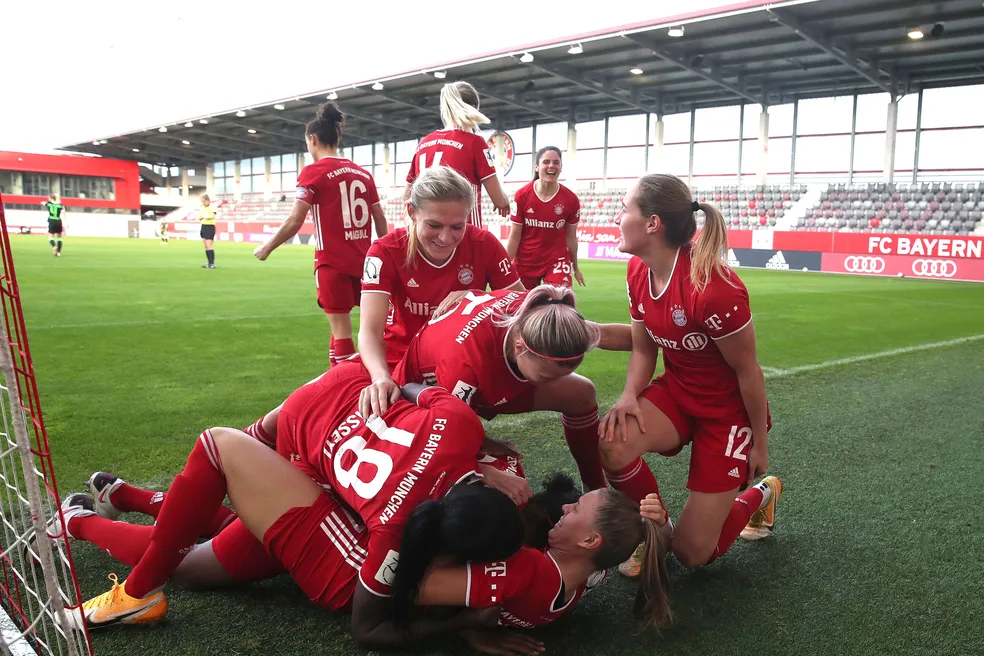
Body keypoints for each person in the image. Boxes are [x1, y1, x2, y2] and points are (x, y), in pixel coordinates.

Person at [71, 364, 525, 650]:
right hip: (338, 497)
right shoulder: (399, 518)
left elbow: (367, 628)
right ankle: (108, 508)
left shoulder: (453, 424)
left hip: (345, 556)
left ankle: (120, 570)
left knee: (217, 456)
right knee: (216, 538)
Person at [596, 173, 782, 576]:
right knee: (613, 440)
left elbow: (747, 371)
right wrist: (629, 395)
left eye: (625, 209)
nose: (617, 217)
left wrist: (759, 446)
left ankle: (761, 494)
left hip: (726, 415)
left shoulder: (714, 287)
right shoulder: (636, 272)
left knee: (694, 554)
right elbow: (644, 347)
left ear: (652, 224)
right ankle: (654, 530)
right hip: (679, 392)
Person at [390, 285, 631, 493]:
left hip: (479, 376)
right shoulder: (464, 367)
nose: (551, 384)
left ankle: (594, 488)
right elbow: (442, 438)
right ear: (518, 349)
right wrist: (484, 468)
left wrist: (665, 338)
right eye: (545, 376)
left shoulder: (544, 318)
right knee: (488, 482)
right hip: (419, 398)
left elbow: (610, 334)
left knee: (580, 393)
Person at [359, 166, 524, 413]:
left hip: (470, 365)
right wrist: (381, 377)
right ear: (412, 212)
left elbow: (524, 305)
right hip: (404, 367)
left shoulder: (484, 243)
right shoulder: (384, 252)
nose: (445, 238)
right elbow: (369, 332)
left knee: (579, 392)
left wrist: (479, 298)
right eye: (434, 225)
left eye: (457, 227)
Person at [253, 102, 389, 367]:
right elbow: (380, 217)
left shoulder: (313, 172)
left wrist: (267, 247)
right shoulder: (362, 173)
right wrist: (385, 253)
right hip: (364, 263)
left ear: (312, 139)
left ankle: (343, 388)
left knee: (341, 330)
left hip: (332, 263)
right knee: (358, 328)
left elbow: (295, 219)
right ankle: (339, 378)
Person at [403, 81, 511, 228]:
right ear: (474, 108)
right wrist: (504, 202)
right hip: (462, 233)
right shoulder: (474, 143)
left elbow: (407, 197)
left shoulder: (423, 143)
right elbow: (498, 199)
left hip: (426, 236)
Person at [506, 147, 584, 288]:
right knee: (522, 307)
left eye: (556, 162)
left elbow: (571, 238)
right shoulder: (522, 195)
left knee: (560, 304)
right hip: (526, 262)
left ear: (560, 167)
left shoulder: (571, 199)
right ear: (537, 167)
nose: (551, 166)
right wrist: (505, 268)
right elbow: (515, 235)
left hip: (557, 261)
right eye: (546, 162)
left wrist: (576, 267)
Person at [199, 195, 217, 268]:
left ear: (208, 200)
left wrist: (205, 217)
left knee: (209, 245)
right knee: (206, 246)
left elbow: (213, 216)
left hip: (210, 227)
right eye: (202, 201)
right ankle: (209, 263)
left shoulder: (212, 207)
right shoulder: (202, 207)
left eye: (204, 201)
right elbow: (201, 215)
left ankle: (212, 263)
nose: (203, 203)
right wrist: (200, 217)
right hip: (203, 226)